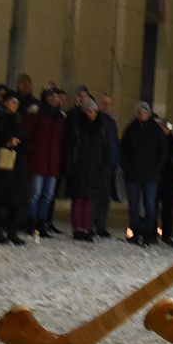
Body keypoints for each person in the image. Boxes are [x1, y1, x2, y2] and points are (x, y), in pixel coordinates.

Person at [120, 100, 168, 245]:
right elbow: (123, 151)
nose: (142, 114)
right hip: (133, 174)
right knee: (133, 206)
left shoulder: (156, 130)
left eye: (145, 112)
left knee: (150, 206)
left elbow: (163, 151)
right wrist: (127, 168)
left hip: (151, 175)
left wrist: (156, 169)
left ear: (148, 113)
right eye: (140, 112)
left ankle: (149, 234)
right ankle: (135, 233)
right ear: (136, 114)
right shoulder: (130, 129)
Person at [0, 91, 29, 244]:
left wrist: (21, 145)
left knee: (16, 201)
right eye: (12, 102)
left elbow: (25, 142)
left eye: (17, 103)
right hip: (1, 167)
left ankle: (12, 232)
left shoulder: (18, 120)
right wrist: (6, 143)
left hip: (17, 166)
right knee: (0, 200)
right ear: (4, 103)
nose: (14, 105)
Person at [65, 94, 111, 241]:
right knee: (78, 200)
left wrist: (104, 169)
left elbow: (107, 152)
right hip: (79, 170)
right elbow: (70, 149)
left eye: (94, 111)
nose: (92, 114)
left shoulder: (101, 130)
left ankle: (86, 228)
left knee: (89, 202)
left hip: (94, 171)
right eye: (89, 111)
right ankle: (77, 228)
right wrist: (70, 167)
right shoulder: (78, 129)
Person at [24, 86, 66, 238]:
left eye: (56, 97)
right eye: (51, 96)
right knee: (35, 194)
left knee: (48, 195)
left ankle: (42, 223)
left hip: (52, 163)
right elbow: (27, 134)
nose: (54, 99)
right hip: (38, 160)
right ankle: (31, 222)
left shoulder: (61, 118)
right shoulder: (37, 115)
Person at [93, 93, 120, 238]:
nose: (107, 106)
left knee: (105, 198)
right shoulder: (95, 120)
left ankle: (101, 226)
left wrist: (115, 161)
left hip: (110, 165)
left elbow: (115, 144)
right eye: (104, 103)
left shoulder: (112, 123)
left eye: (109, 103)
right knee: (94, 197)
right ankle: (91, 224)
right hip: (97, 165)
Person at [155, 117, 173, 244]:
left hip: (168, 179)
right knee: (153, 207)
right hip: (156, 177)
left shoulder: (170, 140)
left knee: (168, 209)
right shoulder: (154, 139)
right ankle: (152, 232)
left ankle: (167, 234)